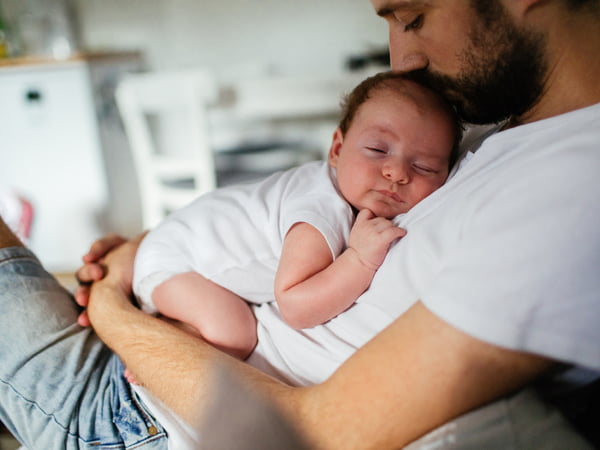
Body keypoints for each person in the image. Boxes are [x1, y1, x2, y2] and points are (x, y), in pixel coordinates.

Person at [0, 0, 598, 448]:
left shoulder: (574, 186)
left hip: (145, 420)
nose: (403, 59)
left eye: (412, 16)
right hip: (166, 352)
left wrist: (112, 311)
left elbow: (311, 433)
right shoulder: (494, 130)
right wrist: (145, 252)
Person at [128, 71, 459, 373]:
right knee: (235, 334)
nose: (397, 173)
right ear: (337, 150)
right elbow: (296, 308)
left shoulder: (345, 193)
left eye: (426, 167)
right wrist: (359, 259)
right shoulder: (321, 210)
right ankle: (154, 349)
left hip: (182, 240)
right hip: (174, 259)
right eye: (377, 149)